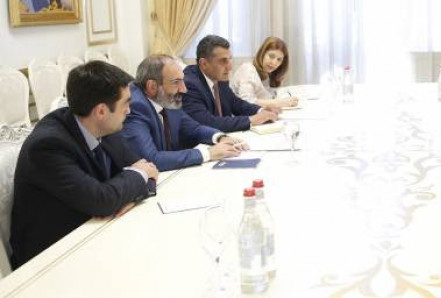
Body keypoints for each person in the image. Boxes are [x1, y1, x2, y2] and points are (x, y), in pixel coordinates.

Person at [10, 62, 158, 268]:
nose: (129, 110)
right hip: (52, 258)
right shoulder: (48, 146)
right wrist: (130, 185)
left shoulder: (103, 125)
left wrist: (130, 195)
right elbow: (103, 199)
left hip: (96, 233)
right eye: (125, 103)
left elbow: (146, 170)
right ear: (101, 111)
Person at [122, 55, 248, 172]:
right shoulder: (135, 107)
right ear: (152, 86)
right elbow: (151, 159)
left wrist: (221, 138)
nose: (184, 89)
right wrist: (208, 153)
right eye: (176, 82)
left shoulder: (165, 99)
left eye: (182, 81)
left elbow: (194, 129)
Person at [182, 35, 279, 133]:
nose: (229, 67)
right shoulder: (189, 85)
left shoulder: (218, 77)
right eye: (223, 61)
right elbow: (208, 122)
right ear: (204, 63)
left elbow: (236, 103)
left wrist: (261, 111)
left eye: (229, 59)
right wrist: (252, 120)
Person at [230, 36, 299, 109]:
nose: (274, 63)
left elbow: (270, 96)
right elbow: (247, 102)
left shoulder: (268, 72)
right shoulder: (247, 70)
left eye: (279, 59)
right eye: (271, 56)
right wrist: (281, 103)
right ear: (262, 53)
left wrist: (284, 98)